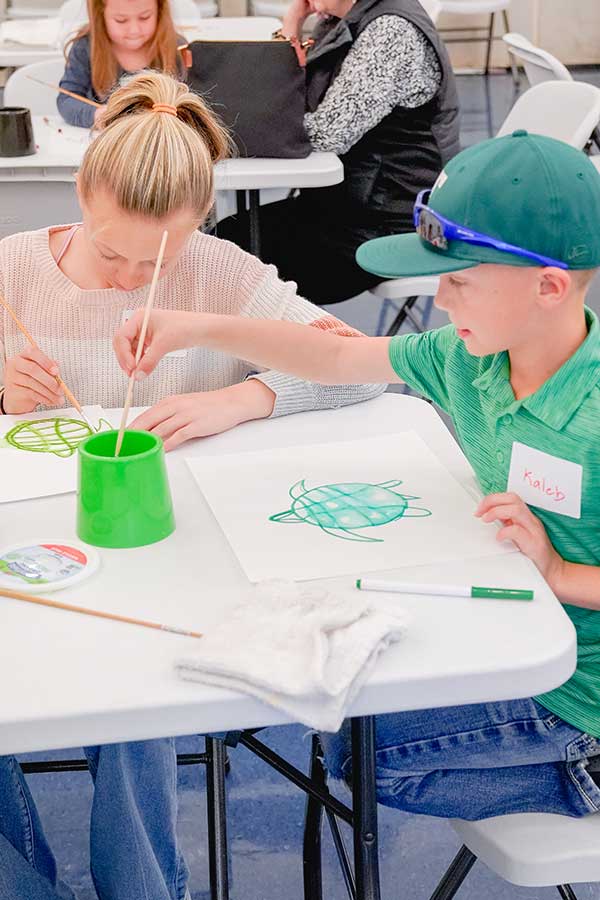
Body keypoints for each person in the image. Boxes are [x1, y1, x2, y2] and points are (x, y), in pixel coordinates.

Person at [115, 131, 600, 819]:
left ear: (549, 287)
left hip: (577, 694)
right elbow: (338, 359)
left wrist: (556, 574)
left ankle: (589, 777)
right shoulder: (470, 356)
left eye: (458, 282)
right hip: (515, 619)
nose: (439, 303)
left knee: (370, 764)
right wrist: (195, 327)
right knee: (342, 722)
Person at [0, 71, 382, 900]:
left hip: (171, 566)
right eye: (111, 253)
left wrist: (242, 397)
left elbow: (361, 371)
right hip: (36, 561)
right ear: (80, 192)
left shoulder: (217, 274)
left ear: (200, 223)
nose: (133, 279)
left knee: (137, 692)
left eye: (156, 259)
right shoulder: (15, 272)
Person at [217, 0, 460, 306]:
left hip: (384, 230)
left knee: (226, 254)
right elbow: (283, 93)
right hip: (344, 210)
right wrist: (292, 23)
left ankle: (271, 349)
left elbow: (327, 133)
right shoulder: (340, 20)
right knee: (222, 239)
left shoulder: (392, 32)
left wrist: (233, 131)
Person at [58, 0, 184, 128]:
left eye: (144, 17)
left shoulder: (178, 49)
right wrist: (96, 115)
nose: (134, 30)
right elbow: (66, 101)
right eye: (121, 20)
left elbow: (192, 105)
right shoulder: (85, 47)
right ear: (100, 14)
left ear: (160, 9)